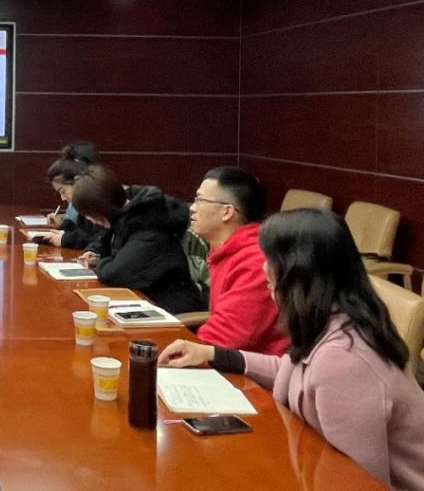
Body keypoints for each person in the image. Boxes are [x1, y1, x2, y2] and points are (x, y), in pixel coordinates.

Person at [159, 209, 424, 490]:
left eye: (271, 259)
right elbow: (293, 372)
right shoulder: (328, 319)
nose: (263, 269)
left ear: (301, 269)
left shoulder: (345, 359)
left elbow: (358, 483)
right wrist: (213, 354)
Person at [73, 163, 205, 314]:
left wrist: (100, 263)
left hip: (170, 307)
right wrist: (96, 256)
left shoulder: (150, 223)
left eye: (90, 214)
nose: (90, 219)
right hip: (144, 298)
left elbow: (116, 274)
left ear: (102, 208)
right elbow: (110, 251)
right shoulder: (123, 219)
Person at [189, 166, 288, 354]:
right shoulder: (226, 249)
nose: (192, 208)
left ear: (227, 212)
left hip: (255, 369)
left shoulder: (256, 261)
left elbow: (226, 338)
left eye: (200, 200)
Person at [37, 158, 107, 249]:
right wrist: (63, 228)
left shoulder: (99, 201)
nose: (63, 198)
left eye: (63, 191)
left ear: (77, 181)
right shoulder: (83, 204)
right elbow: (84, 232)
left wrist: (66, 239)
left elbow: (101, 240)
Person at [46, 140, 100, 228]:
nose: (63, 198)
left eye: (62, 191)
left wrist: (64, 227)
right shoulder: (77, 197)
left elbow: (92, 234)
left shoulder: (95, 199)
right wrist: (62, 220)